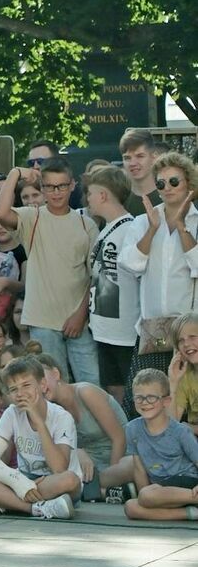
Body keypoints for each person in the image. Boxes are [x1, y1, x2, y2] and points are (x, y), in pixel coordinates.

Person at [0, 159, 99, 384]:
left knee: (91, 386)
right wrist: (15, 173)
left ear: (72, 185)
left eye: (62, 185)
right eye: (50, 186)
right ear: (42, 189)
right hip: (42, 321)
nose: (56, 192)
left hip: (78, 321)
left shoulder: (86, 224)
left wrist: (81, 315)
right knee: (52, 387)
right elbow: (1, 213)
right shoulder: (33, 217)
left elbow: (93, 278)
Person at [0, 355, 80, 519]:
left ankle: (0, 502)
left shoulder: (62, 417)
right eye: (13, 389)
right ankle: (37, 509)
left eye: (26, 385)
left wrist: (39, 423)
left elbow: (59, 468)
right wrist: (19, 482)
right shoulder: (11, 413)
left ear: (42, 385)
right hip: (22, 480)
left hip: (52, 483)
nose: (20, 393)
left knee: (70, 480)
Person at [119, 151, 198, 409]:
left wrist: (183, 227)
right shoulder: (143, 221)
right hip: (154, 331)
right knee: (145, 403)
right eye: (161, 183)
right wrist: (152, 230)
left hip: (191, 331)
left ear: (189, 183)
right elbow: (130, 264)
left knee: (189, 406)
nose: (167, 188)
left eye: (174, 181)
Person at [33, 350, 134, 500]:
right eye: (35, 384)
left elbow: (119, 438)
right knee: (57, 473)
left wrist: (113, 474)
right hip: (86, 468)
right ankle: (103, 493)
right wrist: (77, 452)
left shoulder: (86, 392)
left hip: (118, 458)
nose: (41, 387)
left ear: (56, 373)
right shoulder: (51, 411)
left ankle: (103, 490)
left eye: (42, 379)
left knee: (132, 464)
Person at [84, 164, 140, 404]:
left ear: (103, 195)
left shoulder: (131, 227)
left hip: (125, 329)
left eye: (90, 193)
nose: (88, 199)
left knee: (129, 389)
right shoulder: (106, 228)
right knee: (113, 388)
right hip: (104, 325)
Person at [122, 368, 198, 521]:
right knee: (131, 507)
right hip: (160, 491)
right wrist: (147, 499)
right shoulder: (132, 429)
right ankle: (190, 513)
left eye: (151, 397)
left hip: (185, 481)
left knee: (146, 496)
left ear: (166, 401)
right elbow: (138, 467)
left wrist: (147, 496)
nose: (145, 403)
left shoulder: (180, 431)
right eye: (139, 398)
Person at [119, 128, 161, 217]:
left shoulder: (168, 197)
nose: (133, 163)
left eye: (140, 156)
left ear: (154, 157)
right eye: (127, 158)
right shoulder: (119, 202)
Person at [169, 313, 198, 437]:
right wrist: (173, 382)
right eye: (181, 340)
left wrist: (190, 428)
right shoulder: (185, 376)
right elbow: (171, 423)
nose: (186, 344)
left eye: (192, 337)